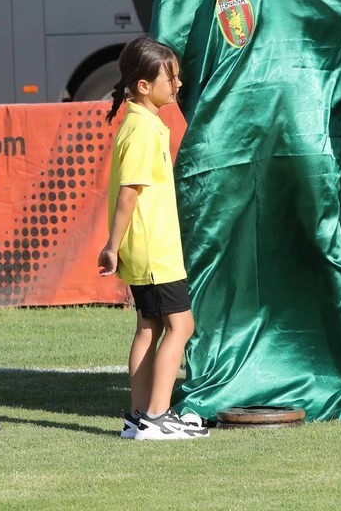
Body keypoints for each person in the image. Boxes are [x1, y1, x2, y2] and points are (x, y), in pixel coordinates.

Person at [97, 36, 207, 441]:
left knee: (149, 327)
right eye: (171, 77)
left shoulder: (139, 121)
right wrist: (112, 244)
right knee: (182, 326)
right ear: (143, 86)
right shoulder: (142, 128)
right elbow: (130, 192)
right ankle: (157, 418)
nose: (178, 84)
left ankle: (139, 416)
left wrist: (118, 245)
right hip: (154, 249)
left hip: (145, 248)